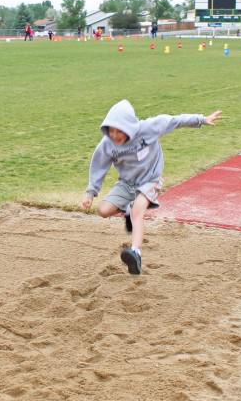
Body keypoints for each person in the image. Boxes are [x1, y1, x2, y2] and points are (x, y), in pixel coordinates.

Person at [80, 100, 222, 275]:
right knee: (103, 210)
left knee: (137, 211)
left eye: (119, 130)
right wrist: (90, 193)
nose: (115, 135)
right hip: (127, 183)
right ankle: (129, 211)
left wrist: (201, 119)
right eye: (111, 130)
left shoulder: (149, 128)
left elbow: (175, 121)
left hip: (150, 180)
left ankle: (136, 253)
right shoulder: (107, 144)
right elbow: (98, 166)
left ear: (129, 127)